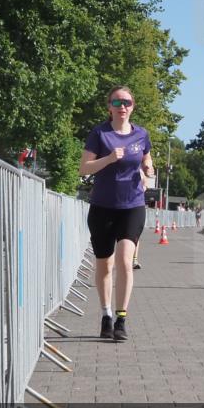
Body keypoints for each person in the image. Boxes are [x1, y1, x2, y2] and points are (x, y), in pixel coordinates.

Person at [79, 86, 154, 341]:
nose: (122, 106)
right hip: (102, 207)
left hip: (132, 205)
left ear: (133, 106)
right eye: (117, 102)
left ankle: (121, 319)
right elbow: (84, 168)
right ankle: (106, 315)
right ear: (109, 106)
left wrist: (148, 169)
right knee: (105, 265)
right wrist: (109, 158)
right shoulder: (100, 133)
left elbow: (147, 159)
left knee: (124, 260)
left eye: (127, 102)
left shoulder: (141, 134)